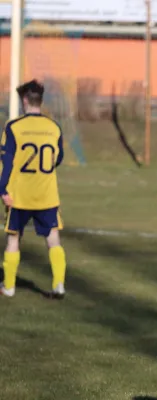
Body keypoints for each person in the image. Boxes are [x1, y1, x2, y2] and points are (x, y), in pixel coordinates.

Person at [0, 79, 67, 299]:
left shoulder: (13, 127)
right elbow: (58, 158)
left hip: (19, 196)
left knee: (13, 239)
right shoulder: (53, 127)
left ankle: (9, 287)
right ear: (40, 100)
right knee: (53, 239)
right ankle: (58, 285)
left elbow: (6, 163)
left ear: (25, 100)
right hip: (46, 196)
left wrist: (2, 190)